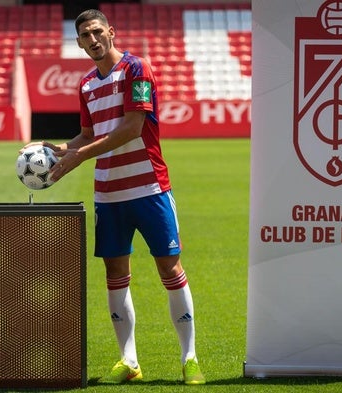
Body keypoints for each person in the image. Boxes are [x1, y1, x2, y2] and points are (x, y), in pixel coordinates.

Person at [23, 9, 205, 385]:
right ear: (78, 43)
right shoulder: (87, 84)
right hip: (109, 194)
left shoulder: (137, 69)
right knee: (115, 275)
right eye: (84, 36)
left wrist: (80, 156)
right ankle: (129, 360)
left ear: (110, 31)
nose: (92, 40)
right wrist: (61, 149)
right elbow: (88, 136)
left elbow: (133, 128)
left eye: (96, 32)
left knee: (169, 270)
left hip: (149, 187)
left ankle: (190, 358)